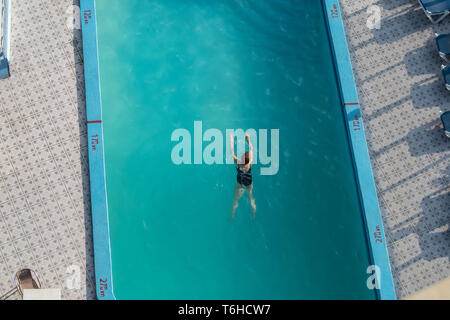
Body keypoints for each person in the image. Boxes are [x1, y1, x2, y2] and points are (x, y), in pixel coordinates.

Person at [229, 133, 256, 220]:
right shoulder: (249, 163)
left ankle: (232, 216)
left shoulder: (238, 163)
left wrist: (231, 139)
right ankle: (254, 215)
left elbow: (231, 152)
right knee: (251, 199)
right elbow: (251, 149)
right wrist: (248, 139)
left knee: (236, 201)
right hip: (249, 183)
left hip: (240, 183)